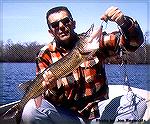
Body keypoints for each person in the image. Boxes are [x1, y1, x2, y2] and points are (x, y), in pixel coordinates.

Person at [21, 6, 145, 124]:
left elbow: (133, 44)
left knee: (136, 102)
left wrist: (124, 22)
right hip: (67, 115)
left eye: (66, 21)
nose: (61, 26)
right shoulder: (44, 54)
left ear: (73, 23)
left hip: (98, 112)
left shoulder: (93, 43)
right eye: (55, 25)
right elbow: (48, 99)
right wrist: (52, 88)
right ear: (50, 31)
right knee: (30, 110)